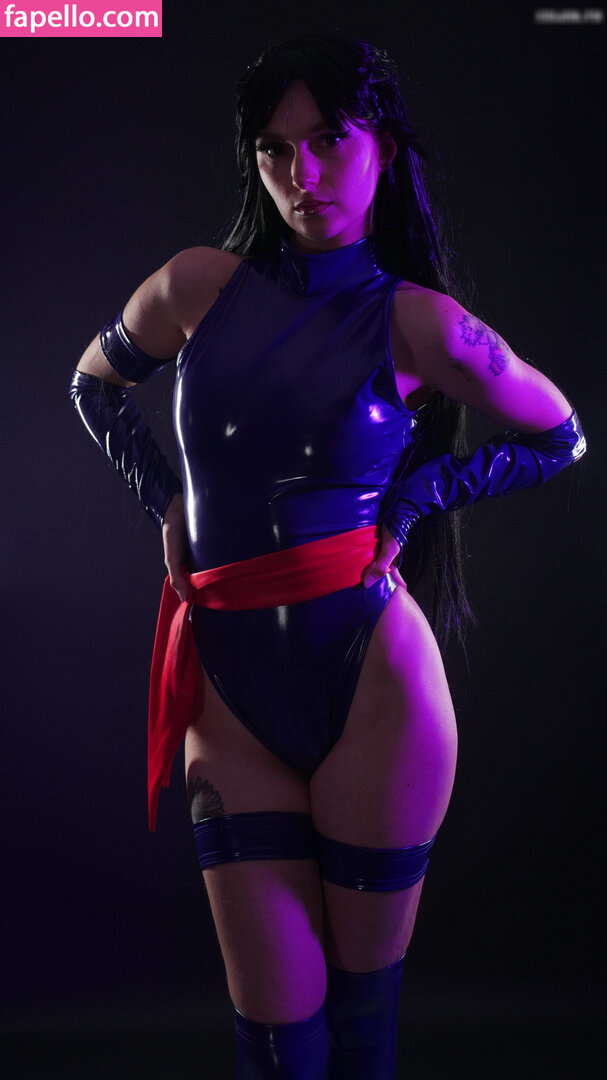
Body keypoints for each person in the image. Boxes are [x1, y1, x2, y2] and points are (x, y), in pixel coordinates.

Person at [69, 32, 586, 1080]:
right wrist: (165, 500)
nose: (301, 172)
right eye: (274, 148)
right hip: (227, 686)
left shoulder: (418, 322)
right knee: (276, 1038)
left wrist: (423, 493)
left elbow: (559, 435)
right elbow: (92, 383)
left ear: (380, 149)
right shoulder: (194, 286)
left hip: (374, 687)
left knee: (358, 1023)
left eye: (328, 141)